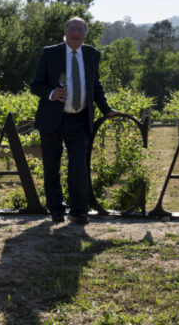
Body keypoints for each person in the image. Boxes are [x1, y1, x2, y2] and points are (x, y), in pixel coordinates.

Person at [30, 17, 117, 224]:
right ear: (66, 31)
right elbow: (35, 85)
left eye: (80, 30)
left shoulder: (92, 54)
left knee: (79, 166)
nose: (76, 33)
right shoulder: (50, 52)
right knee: (52, 166)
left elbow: (95, 85)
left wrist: (106, 109)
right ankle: (57, 210)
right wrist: (52, 93)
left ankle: (79, 211)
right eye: (73, 29)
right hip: (52, 120)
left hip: (79, 120)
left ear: (85, 34)